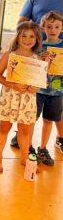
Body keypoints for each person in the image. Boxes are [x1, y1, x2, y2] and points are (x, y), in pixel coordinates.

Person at [12, 0, 63, 151]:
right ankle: (22, 134)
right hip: (35, 59)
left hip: (60, 66)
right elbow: (21, 24)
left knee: (57, 100)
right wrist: (34, 36)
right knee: (31, 98)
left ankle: (59, 139)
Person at [0, 21, 42, 173]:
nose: (27, 39)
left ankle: (24, 157)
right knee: (4, 127)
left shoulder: (38, 60)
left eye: (31, 36)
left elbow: (39, 83)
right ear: (18, 37)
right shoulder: (9, 56)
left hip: (28, 100)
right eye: (24, 36)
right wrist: (12, 85)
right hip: (10, 97)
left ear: (37, 39)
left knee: (25, 130)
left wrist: (36, 88)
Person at [36, 11, 63, 166]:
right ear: (43, 27)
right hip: (38, 91)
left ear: (62, 28)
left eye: (57, 27)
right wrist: (39, 60)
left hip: (57, 92)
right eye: (49, 26)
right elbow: (32, 67)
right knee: (31, 120)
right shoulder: (39, 46)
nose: (53, 30)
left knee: (48, 121)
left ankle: (42, 148)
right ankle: (28, 147)